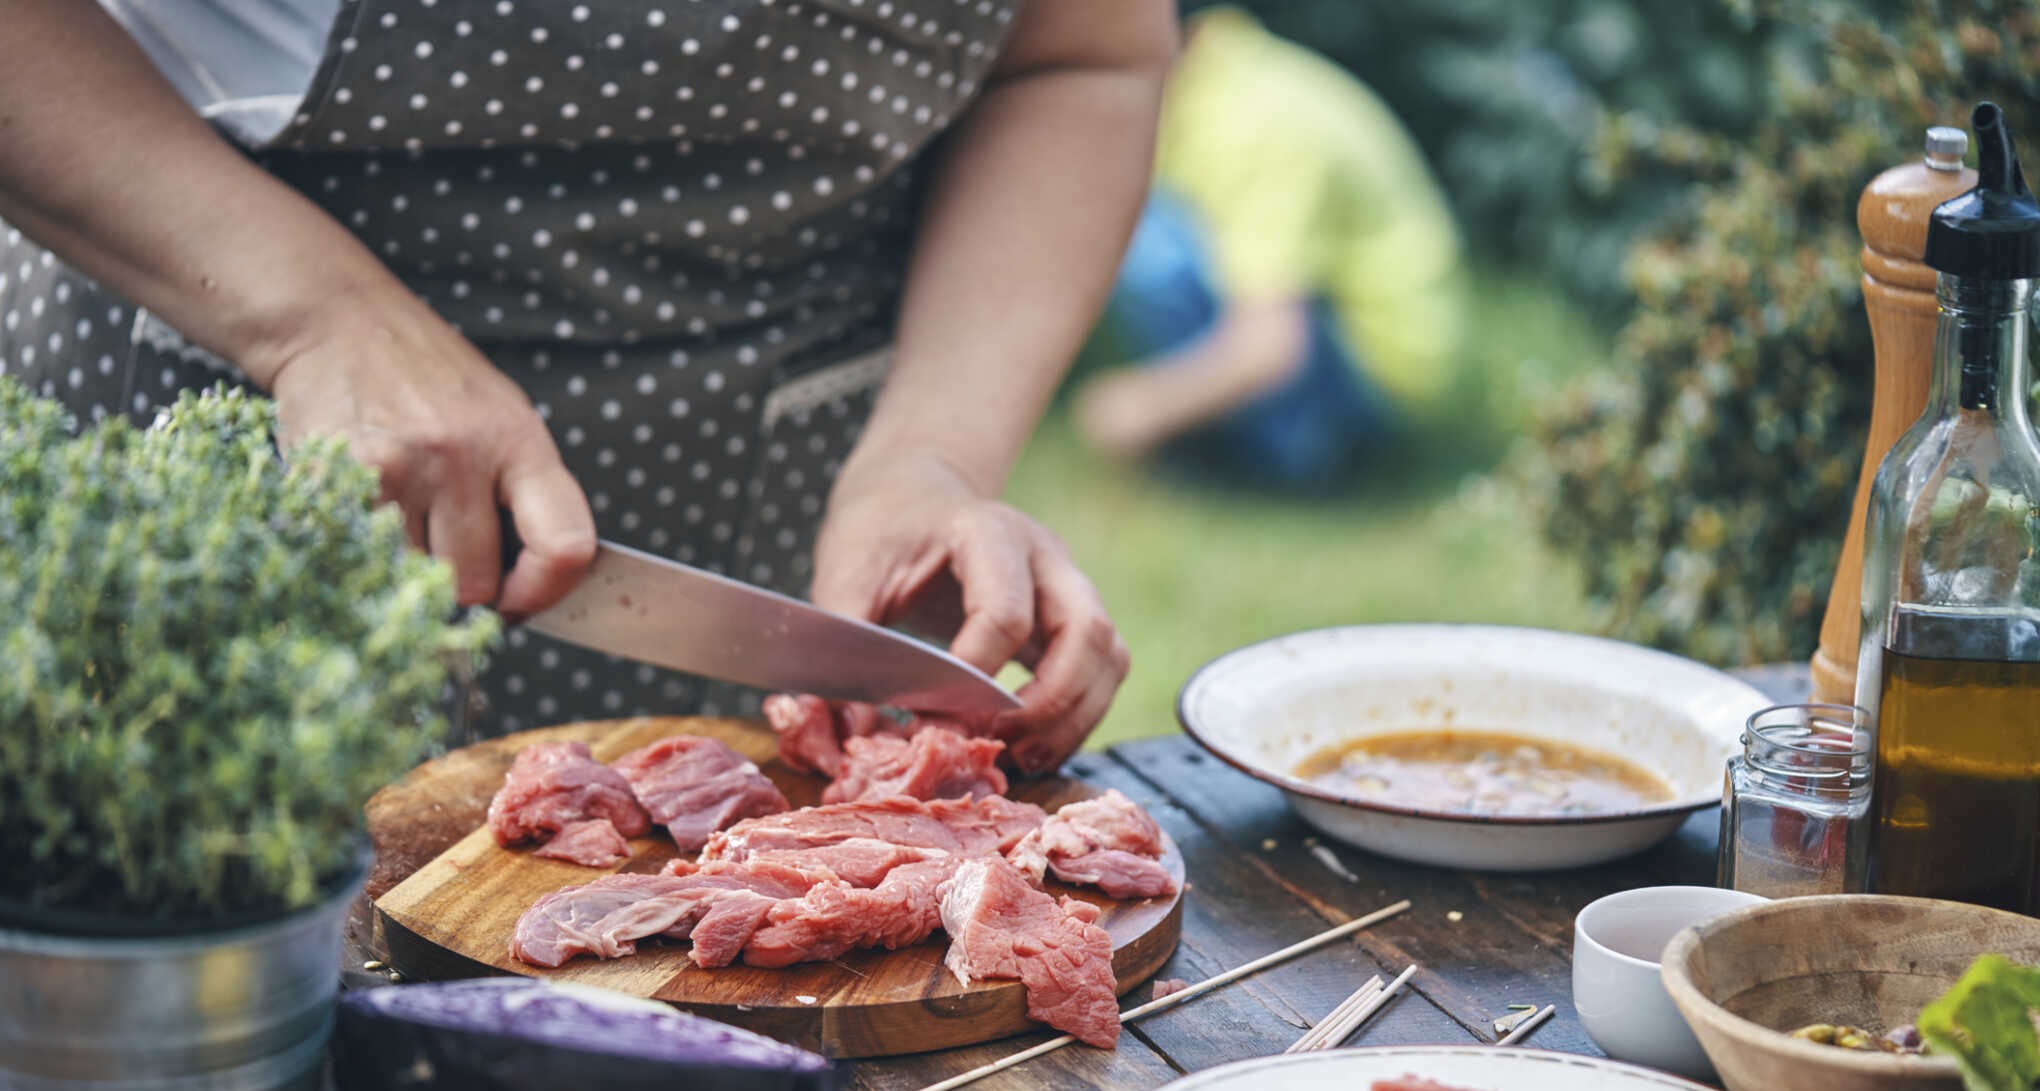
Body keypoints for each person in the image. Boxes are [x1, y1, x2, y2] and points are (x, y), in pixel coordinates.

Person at [0, 0, 1175, 771]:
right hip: (219, 418)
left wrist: (933, 454)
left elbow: (1081, 55)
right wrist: (313, 319)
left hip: (768, 507)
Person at [1073, 5, 1463, 489]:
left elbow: (1273, 347)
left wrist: (1140, 407)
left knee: (1146, 239)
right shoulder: (1219, 82)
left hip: (1376, 378)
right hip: (1347, 335)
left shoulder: (1254, 129)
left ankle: (1289, 455)